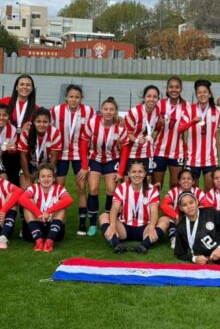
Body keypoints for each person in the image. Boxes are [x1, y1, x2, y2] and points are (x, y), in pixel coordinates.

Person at [79, 97, 131, 236]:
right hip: (94, 159)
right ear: (101, 110)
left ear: (115, 112)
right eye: (106, 109)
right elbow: (83, 144)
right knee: (93, 189)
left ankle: (108, 221)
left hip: (112, 160)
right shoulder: (92, 122)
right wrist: (84, 165)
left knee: (110, 189)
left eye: (111, 109)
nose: (108, 112)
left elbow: (125, 150)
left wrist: (121, 171)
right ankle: (92, 224)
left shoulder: (120, 127)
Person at [52, 84, 94, 233]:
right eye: (71, 97)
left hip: (79, 155)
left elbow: (98, 125)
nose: (74, 100)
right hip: (60, 154)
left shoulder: (88, 111)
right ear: (66, 97)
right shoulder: (56, 111)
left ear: (81, 98)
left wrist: (118, 120)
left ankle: (82, 223)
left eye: (77, 97)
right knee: (59, 187)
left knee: (81, 188)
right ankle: (59, 220)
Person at [102, 160, 163, 254]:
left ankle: (143, 246)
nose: (137, 175)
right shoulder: (121, 188)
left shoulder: (152, 189)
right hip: (124, 227)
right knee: (103, 216)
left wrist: (151, 227)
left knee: (165, 221)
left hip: (145, 228)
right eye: (134, 172)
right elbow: (114, 208)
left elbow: (154, 211)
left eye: (140, 172)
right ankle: (117, 245)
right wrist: (113, 225)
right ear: (129, 174)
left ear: (145, 173)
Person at [18, 165, 73, 252]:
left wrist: (48, 211)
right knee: (28, 201)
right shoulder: (33, 188)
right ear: (38, 179)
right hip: (34, 228)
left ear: (54, 178)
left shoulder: (59, 189)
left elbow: (69, 200)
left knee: (62, 205)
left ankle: (49, 242)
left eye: (49, 176)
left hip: (54, 228)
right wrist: (38, 213)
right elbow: (21, 199)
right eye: (43, 176)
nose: (46, 179)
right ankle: (38, 240)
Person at [183, 79, 220, 190]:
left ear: (209, 94)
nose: (202, 95)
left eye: (205, 92)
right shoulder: (189, 110)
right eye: (199, 92)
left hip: (210, 158)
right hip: (192, 158)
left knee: (209, 190)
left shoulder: (218, 110)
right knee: (193, 191)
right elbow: (180, 129)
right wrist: (192, 121)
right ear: (196, 94)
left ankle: (208, 208)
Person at [0, 74, 37, 186]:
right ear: (16, 87)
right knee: (7, 187)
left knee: (23, 187)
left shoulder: (36, 109)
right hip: (5, 151)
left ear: (32, 88)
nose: (25, 87)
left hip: (24, 154)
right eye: (22, 84)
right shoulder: (4, 102)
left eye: (28, 85)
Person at [154, 76, 190, 189]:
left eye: (177, 87)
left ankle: (174, 206)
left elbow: (186, 127)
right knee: (156, 186)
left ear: (181, 89)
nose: (174, 90)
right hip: (159, 150)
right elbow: (152, 128)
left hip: (177, 152)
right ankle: (155, 206)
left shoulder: (186, 105)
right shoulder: (160, 104)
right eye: (171, 87)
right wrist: (158, 123)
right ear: (167, 89)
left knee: (175, 185)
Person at [17, 107, 62, 188]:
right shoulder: (26, 132)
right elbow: (23, 156)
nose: (41, 124)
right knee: (25, 189)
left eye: (45, 122)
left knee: (53, 190)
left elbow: (54, 158)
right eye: (38, 121)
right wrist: (27, 178)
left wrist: (48, 175)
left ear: (49, 122)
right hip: (30, 166)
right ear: (34, 122)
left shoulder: (55, 133)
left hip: (47, 166)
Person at [124, 84, 161, 176]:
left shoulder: (157, 111)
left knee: (146, 180)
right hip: (131, 152)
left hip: (147, 152)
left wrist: (160, 123)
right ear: (144, 98)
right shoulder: (134, 112)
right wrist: (137, 140)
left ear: (158, 99)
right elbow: (126, 133)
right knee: (128, 181)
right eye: (149, 96)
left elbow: (154, 128)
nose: (152, 99)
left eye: (155, 97)